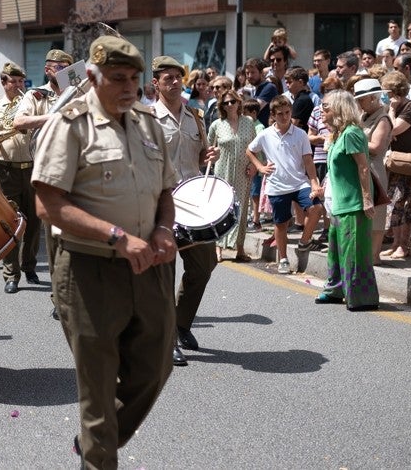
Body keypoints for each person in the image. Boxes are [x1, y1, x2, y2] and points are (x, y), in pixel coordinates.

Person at [32, 35, 178, 468]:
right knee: (97, 391)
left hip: (148, 265)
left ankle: (97, 439)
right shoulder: (70, 125)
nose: (129, 87)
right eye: (118, 78)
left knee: (155, 369)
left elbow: (166, 190)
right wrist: (116, 236)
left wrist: (165, 229)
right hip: (88, 269)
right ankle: (98, 450)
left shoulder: (149, 123)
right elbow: (48, 204)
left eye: (135, 78)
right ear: (93, 77)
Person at [149, 55, 218, 367]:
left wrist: (208, 155)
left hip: (192, 202)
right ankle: (167, 338)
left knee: (205, 264)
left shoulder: (195, 116)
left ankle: (180, 322)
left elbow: (201, 158)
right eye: (168, 78)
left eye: (178, 77)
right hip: (158, 202)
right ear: (156, 83)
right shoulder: (145, 118)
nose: (175, 82)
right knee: (163, 273)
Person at [12, 48, 75, 319]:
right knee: (55, 238)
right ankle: (59, 295)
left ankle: (77, 290)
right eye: (59, 67)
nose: (63, 71)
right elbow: (20, 122)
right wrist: (55, 117)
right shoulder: (36, 95)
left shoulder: (79, 92)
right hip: (50, 172)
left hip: (79, 170)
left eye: (68, 67)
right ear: (49, 69)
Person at [315, 90, 380, 311]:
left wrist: (367, 199)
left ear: (339, 108)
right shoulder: (337, 135)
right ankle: (335, 290)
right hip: (338, 204)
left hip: (353, 204)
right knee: (335, 249)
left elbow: (363, 167)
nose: (321, 111)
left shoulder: (351, 133)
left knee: (354, 252)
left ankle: (361, 298)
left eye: (325, 107)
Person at [246, 96, 324, 274]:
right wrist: (260, 167)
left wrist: (313, 182)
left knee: (316, 209)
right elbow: (250, 150)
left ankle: (304, 241)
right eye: (280, 114)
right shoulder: (265, 134)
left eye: (287, 113)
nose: (284, 117)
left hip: (299, 183)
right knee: (281, 225)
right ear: (273, 115)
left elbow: (308, 160)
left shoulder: (301, 134)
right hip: (277, 186)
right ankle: (283, 259)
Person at [0, 62, 41, 293]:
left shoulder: (33, 105)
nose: (17, 86)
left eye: (20, 82)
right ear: (3, 83)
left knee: (35, 223)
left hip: (32, 167)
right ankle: (11, 274)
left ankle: (29, 266)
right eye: (12, 81)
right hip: (5, 169)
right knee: (10, 222)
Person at [208, 89, 257, 262]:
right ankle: (218, 247)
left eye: (233, 101)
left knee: (242, 209)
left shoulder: (249, 122)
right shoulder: (217, 124)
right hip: (223, 169)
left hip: (244, 171)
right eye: (226, 103)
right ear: (222, 105)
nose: (230, 105)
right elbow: (208, 148)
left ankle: (240, 248)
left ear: (239, 103)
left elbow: (255, 146)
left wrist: (254, 164)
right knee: (222, 209)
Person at [379, 72, 411, 261]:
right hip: (391, 161)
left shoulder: (410, 107)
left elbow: (394, 129)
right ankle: (395, 243)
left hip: (407, 161)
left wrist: (393, 112)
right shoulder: (388, 107)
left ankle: (404, 244)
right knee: (393, 203)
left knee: (405, 203)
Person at [354, 78, 392, 263]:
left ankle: (374, 254)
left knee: (376, 212)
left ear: (372, 98)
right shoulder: (363, 117)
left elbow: (376, 146)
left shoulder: (383, 118)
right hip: (361, 167)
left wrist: (352, 142)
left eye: (361, 99)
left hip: (374, 168)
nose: (359, 102)